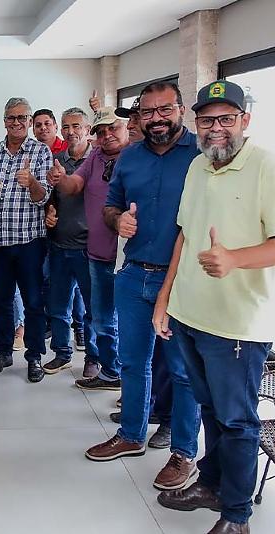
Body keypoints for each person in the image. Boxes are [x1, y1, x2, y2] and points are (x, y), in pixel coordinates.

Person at [155, 80, 275, 534]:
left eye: (226, 118)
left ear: (245, 120)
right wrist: (166, 299)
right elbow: (186, 235)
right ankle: (211, 484)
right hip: (190, 315)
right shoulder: (197, 166)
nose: (216, 128)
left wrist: (235, 260)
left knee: (237, 421)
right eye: (207, 120)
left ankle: (237, 515)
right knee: (209, 410)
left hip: (236, 324)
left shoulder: (265, 166)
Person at [86, 82, 201, 494]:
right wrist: (118, 220)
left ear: (181, 109)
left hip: (184, 278)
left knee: (184, 372)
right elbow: (110, 206)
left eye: (164, 109)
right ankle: (131, 435)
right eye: (147, 112)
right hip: (135, 273)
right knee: (133, 362)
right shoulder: (130, 157)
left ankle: (184, 452)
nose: (156, 118)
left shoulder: (201, 154)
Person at [0, 97, 53, 383]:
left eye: (22, 117)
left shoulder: (40, 152)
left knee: (33, 302)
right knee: (1, 300)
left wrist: (31, 182)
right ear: (4, 121)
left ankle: (34, 356)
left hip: (30, 242)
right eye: (11, 117)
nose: (17, 122)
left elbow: (43, 198)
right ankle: (3, 352)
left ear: (29, 121)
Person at [42, 107, 100, 378]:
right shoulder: (55, 161)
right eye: (66, 126)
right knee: (58, 306)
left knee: (92, 309)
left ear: (87, 130)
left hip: (89, 248)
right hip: (59, 245)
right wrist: (49, 211)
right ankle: (62, 353)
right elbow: (48, 199)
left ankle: (93, 357)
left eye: (76, 126)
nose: (71, 131)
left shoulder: (98, 161)